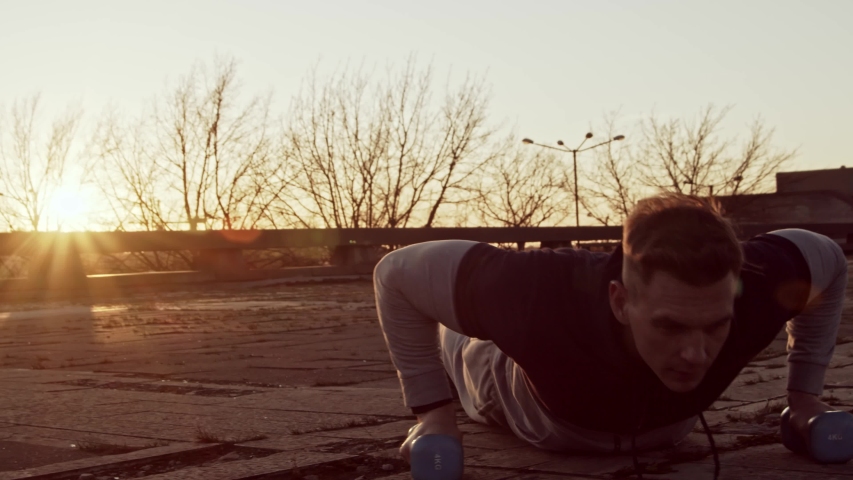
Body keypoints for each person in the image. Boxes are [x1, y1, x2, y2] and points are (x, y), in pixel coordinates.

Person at [372, 193, 847, 479]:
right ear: (620, 300)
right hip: (525, 402)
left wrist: (804, 397)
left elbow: (829, 257)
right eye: (670, 325)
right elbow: (395, 274)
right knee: (467, 344)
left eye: (715, 324)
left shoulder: (761, 283)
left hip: (664, 425)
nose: (695, 353)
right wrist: (434, 416)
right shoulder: (537, 287)